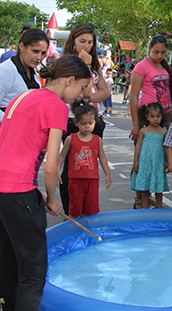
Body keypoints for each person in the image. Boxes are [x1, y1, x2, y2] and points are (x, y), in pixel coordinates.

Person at [0, 54, 92, 311]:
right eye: (81, 88)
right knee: (33, 272)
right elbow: (51, 166)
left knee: (9, 265)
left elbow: (12, 147)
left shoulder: (23, 96)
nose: (80, 95)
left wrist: (33, 189)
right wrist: (52, 197)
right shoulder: (57, 106)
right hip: (15, 190)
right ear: (69, 80)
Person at [59, 24, 111, 213]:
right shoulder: (65, 62)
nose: (86, 46)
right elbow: (84, 90)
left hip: (93, 120)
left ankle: (88, 210)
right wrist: (86, 65)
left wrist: (88, 98)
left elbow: (104, 92)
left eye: (90, 42)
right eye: (82, 41)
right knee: (71, 168)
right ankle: (71, 211)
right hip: (73, 121)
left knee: (89, 167)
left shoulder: (95, 64)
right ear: (73, 40)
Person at [0, 26, 47, 149]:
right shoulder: (5, 70)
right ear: (21, 46)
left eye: (43, 53)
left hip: (25, 136)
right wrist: (15, 124)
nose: (39, 57)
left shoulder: (31, 70)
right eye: (35, 51)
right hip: (8, 137)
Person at [57, 100, 112, 217]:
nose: (87, 126)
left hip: (92, 180)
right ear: (76, 123)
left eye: (90, 123)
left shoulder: (97, 140)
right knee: (75, 208)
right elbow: (62, 156)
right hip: (75, 180)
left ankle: (89, 230)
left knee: (91, 208)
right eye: (83, 123)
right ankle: (75, 229)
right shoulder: (71, 139)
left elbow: (102, 158)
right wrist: (56, 171)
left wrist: (107, 174)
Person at [129, 35, 172, 138]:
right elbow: (133, 97)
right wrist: (135, 125)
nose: (159, 56)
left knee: (165, 152)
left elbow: (171, 94)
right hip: (148, 117)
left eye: (163, 52)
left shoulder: (166, 67)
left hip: (165, 115)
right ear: (149, 49)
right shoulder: (141, 66)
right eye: (156, 52)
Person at [131, 102, 169, 209]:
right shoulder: (144, 131)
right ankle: (144, 207)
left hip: (158, 163)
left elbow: (166, 148)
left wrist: (167, 161)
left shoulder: (163, 132)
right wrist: (135, 161)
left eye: (158, 116)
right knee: (145, 186)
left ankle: (159, 206)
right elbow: (138, 146)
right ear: (147, 117)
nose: (155, 119)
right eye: (152, 116)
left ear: (162, 117)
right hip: (145, 162)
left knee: (158, 185)